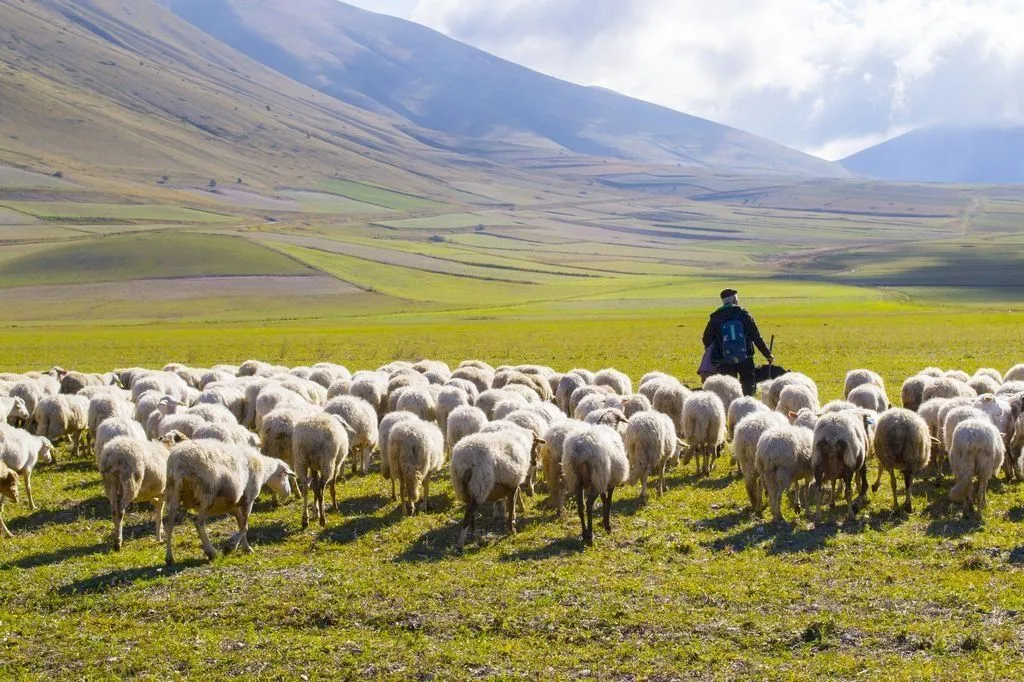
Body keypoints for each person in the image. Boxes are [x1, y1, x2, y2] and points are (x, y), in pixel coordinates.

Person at [702, 288, 773, 396]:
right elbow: (756, 337)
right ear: (734, 299)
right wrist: (768, 354)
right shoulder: (744, 315)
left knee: (729, 388)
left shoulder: (715, 317)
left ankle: (732, 408)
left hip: (725, 359)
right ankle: (748, 406)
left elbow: (706, 339)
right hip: (746, 357)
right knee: (748, 385)